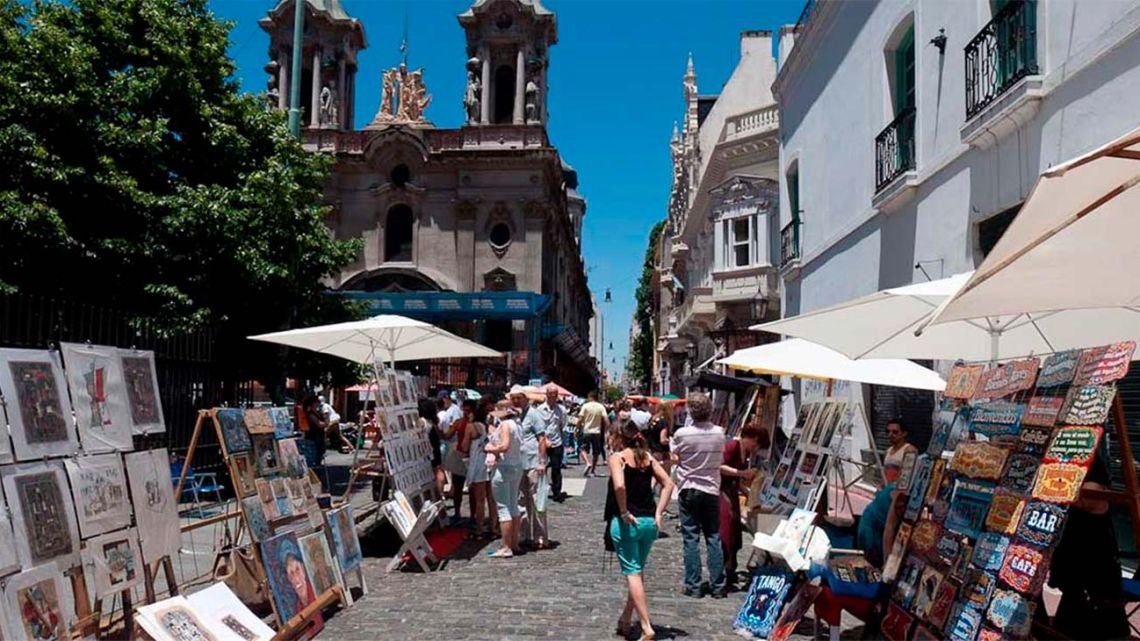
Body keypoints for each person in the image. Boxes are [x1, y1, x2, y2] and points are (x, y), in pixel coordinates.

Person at [1044, 438, 1128, 638]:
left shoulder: (1088, 458)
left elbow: (1096, 499)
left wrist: (1052, 489)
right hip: (1072, 569)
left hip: (1096, 574)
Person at [606, 421, 674, 641]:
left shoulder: (618, 458)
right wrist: (659, 513)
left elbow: (619, 486)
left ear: (618, 437)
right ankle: (626, 619)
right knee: (637, 572)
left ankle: (646, 626)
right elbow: (669, 484)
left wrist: (624, 511)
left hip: (628, 523)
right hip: (649, 523)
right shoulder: (648, 458)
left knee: (633, 573)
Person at [671, 392, 727, 598]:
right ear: (709, 410)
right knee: (713, 537)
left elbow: (675, 457)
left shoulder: (681, 434)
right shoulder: (719, 433)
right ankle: (718, 586)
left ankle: (693, 585)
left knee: (691, 538)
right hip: (711, 488)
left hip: (688, 487)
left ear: (690, 412)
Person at [720, 423, 768, 589]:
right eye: (757, 445)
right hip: (722, 491)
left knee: (735, 533)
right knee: (726, 531)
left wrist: (749, 493)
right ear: (753, 439)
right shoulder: (732, 445)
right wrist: (741, 473)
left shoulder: (745, 452)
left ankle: (730, 570)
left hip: (732, 492)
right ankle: (722, 572)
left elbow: (737, 480)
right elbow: (720, 466)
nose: (756, 449)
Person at [485, 399, 524, 558]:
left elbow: (505, 446)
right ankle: (514, 543)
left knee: (503, 507)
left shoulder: (505, 425)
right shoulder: (517, 424)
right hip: (516, 465)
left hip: (504, 467)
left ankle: (506, 546)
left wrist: (491, 448)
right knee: (513, 504)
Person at [513, 386, 549, 549]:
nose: (515, 401)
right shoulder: (515, 416)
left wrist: (541, 461)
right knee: (521, 500)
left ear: (525, 398)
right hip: (519, 463)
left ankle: (540, 537)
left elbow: (542, 438)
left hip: (533, 462)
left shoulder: (534, 414)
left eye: (518, 398)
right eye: (513, 398)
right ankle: (524, 534)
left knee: (536, 500)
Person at [462, 398, 498, 540]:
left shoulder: (471, 426)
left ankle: (479, 530)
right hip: (490, 463)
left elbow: (464, 446)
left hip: (477, 464)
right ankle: (493, 528)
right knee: (492, 498)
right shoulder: (489, 426)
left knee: (479, 500)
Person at [527, 386, 568, 504]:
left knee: (556, 468)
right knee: (541, 467)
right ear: (547, 395)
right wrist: (544, 440)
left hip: (557, 442)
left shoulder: (561, 410)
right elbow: (537, 428)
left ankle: (557, 492)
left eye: (555, 394)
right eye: (550, 394)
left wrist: (562, 442)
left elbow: (563, 426)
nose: (553, 396)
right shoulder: (539, 410)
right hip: (543, 443)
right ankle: (541, 489)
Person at [856, 481, 900, 567]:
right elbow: (889, 527)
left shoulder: (896, 488)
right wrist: (887, 563)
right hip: (872, 530)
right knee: (874, 562)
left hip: (872, 522)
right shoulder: (899, 495)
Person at [438, 391, 467, 522]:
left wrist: (439, 431)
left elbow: (448, 435)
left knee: (461, 482)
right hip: (456, 450)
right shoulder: (456, 419)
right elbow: (448, 435)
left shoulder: (455, 414)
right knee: (457, 482)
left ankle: (460, 514)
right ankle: (457, 513)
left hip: (459, 450)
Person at [418, 398, 446, 501]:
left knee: (431, 472)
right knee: (438, 469)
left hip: (427, 449)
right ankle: (440, 493)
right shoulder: (433, 421)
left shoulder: (422, 421)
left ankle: (436, 494)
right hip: (435, 447)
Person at [578, 391, 610, 477]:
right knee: (596, 452)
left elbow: (580, 419)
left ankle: (587, 463)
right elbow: (606, 419)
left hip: (587, 431)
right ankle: (593, 470)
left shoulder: (585, 406)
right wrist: (608, 429)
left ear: (590, 397)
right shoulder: (601, 407)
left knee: (582, 449)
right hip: (597, 432)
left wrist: (577, 429)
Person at [882, 418, 918, 484]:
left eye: (895, 432)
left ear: (904, 434)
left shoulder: (909, 451)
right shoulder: (888, 451)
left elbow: (907, 477)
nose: (890, 434)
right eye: (888, 432)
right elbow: (885, 473)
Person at [302, 395, 329, 479]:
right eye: (317, 402)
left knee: (319, 456)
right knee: (314, 458)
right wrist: (325, 423)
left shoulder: (318, 413)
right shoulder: (310, 414)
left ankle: (318, 475)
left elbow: (325, 423)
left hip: (319, 437)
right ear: (313, 403)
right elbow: (319, 424)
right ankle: (315, 476)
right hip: (313, 437)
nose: (319, 404)